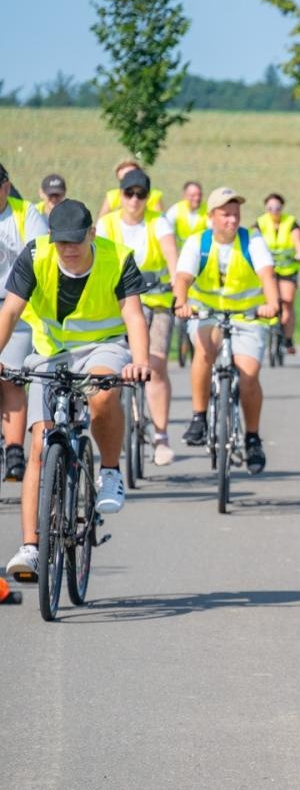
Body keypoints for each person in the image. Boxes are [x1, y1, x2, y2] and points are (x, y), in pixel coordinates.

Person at [0, 200, 151, 580]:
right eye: (61, 242)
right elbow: (10, 312)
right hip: (51, 351)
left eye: (75, 242)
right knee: (39, 444)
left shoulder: (117, 258)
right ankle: (31, 547)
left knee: (102, 395)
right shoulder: (36, 257)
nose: (68, 249)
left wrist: (140, 361)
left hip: (104, 346)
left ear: (92, 235)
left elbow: (133, 314)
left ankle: (111, 471)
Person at [172, 189, 280, 474]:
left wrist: (272, 303)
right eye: (225, 214)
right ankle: (198, 417)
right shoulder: (198, 242)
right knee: (205, 350)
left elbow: (267, 274)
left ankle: (252, 437)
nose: (232, 220)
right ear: (211, 217)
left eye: (236, 214)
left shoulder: (252, 240)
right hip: (207, 312)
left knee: (248, 376)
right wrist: (181, 303)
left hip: (248, 315)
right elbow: (182, 277)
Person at [96, 168, 179, 466]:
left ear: (147, 198)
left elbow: (172, 256)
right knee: (113, 369)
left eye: (140, 195)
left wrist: (177, 284)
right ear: (120, 195)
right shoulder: (106, 224)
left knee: (155, 365)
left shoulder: (159, 222)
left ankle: (160, 436)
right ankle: (116, 426)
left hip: (155, 301)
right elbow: (96, 259)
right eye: (129, 194)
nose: (134, 200)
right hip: (118, 305)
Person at [0, 163, 50, 482]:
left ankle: (15, 450)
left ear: (6, 186)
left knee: (11, 377)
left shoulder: (24, 213)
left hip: (15, 305)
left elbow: (42, 254)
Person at [256, 193, 300, 353]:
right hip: (267, 269)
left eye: (277, 207)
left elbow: (297, 240)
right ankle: (263, 333)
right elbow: (252, 240)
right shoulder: (260, 223)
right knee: (265, 299)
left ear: (282, 208)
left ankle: (288, 339)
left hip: (287, 268)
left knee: (287, 301)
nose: (274, 211)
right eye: (270, 208)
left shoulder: (290, 222)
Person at [98, 159, 163, 216]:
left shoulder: (154, 196)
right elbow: (101, 222)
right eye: (123, 180)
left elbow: (159, 220)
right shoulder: (112, 196)